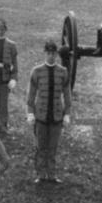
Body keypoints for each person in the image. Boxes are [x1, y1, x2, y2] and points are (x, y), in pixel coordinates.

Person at [27, 39, 71, 184]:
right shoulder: (37, 71)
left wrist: (67, 114)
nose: (51, 56)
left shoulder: (63, 72)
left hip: (56, 116)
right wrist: (30, 112)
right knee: (40, 147)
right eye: (48, 53)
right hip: (41, 115)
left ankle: (51, 174)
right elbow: (31, 94)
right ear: (45, 53)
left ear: (56, 54)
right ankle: (40, 174)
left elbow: (67, 94)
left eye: (53, 53)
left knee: (53, 147)